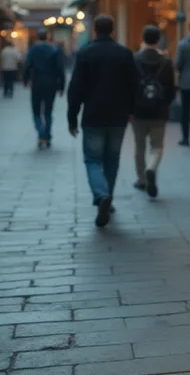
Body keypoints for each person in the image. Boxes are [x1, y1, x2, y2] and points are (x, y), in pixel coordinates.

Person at [67, 15, 139, 227]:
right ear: (112, 30)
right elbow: (135, 84)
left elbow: (76, 89)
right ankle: (108, 197)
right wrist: (131, 110)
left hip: (93, 115)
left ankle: (101, 194)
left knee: (92, 160)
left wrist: (72, 117)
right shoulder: (124, 53)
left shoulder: (85, 54)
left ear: (94, 31)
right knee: (112, 159)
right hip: (118, 116)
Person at [132, 25, 176, 197]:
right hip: (159, 111)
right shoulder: (166, 62)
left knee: (139, 146)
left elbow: (130, 86)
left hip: (138, 111)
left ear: (143, 38)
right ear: (158, 40)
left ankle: (142, 180)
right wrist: (165, 103)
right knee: (157, 146)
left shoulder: (135, 59)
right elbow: (171, 89)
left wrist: (130, 108)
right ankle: (152, 168)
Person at [23, 29, 66, 149]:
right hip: (51, 84)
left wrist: (26, 80)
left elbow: (27, 65)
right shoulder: (54, 50)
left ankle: (41, 133)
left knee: (36, 111)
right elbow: (60, 69)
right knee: (48, 111)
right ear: (47, 38)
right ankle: (47, 134)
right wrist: (62, 86)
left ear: (37, 38)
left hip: (36, 83)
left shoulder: (33, 50)